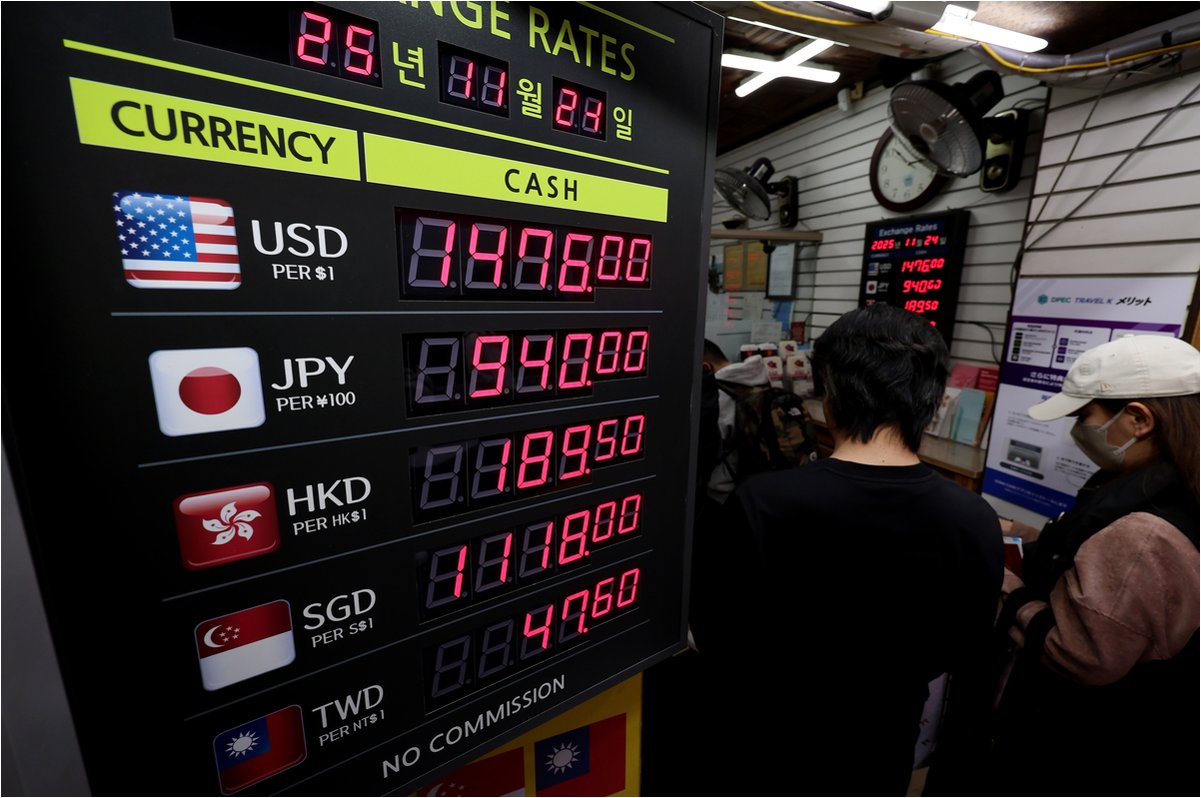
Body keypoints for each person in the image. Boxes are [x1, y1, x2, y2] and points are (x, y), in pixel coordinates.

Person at [710, 305, 1003, 795]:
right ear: (932, 401)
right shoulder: (973, 518)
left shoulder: (764, 501)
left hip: (767, 740)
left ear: (832, 394)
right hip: (883, 745)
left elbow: (722, 635)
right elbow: (963, 646)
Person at [991, 334, 1199, 796]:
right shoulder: (1166, 484)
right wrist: (1018, 532)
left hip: (1084, 748)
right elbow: (1094, 555)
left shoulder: (1145, 534)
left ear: (1139, 419)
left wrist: (1004, 587)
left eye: (1084, 416)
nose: (1077, 431)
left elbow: (1080, 654)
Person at [701, 339, 771, 504]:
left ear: (706, 367)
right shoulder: (760, 380)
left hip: (724, 494)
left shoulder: (718, 395)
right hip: (762, 486)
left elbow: (709, 448)